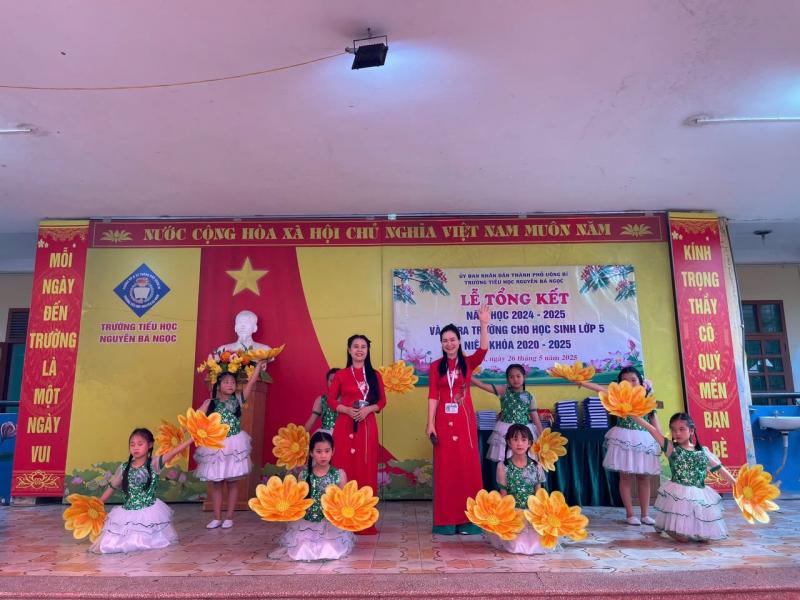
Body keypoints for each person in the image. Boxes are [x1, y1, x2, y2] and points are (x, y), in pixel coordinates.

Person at [426, 305, 490, 535]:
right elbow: (433, 395)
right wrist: (430, 423)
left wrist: (484, 323)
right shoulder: (436, 366)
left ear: (459, 341)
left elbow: (483, 350)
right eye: (445, 341)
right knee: (446, 469)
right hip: (443, 421)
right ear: (441, 343)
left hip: (464, 422)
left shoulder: (467, 363)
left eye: (452, 340)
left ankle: (469, 521)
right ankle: (446, 521)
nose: (449, 344)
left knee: (467, 467)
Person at [577, 366, 662, 525]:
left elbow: (655, 422)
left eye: (633, 380)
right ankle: (630, 514)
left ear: (641, 382)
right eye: (625, 381)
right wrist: (581, 382)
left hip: (644, 442)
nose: (629, 384)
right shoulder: (618, 398)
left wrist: (662, 442)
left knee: (644, 478)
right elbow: (599, 389)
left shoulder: (647, 399)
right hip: (623, 440)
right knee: (625, 477)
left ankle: (645, 514)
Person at [632, 412, 734, 542]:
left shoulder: (703, 452)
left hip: (699, 493)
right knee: (683, 539)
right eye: (673, 430)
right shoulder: (671, 448)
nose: (677, 433)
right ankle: (669, 528)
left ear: (691, 431)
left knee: (705, 539)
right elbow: (651, 429)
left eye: (681, 429)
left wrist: (735, 484)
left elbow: (720, 468)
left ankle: (693, 529)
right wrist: (632, 414)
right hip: (678, 493)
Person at [90, 427, 193, 553]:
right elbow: (112, 486)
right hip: (127, 512)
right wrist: (97, 504)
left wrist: (192, 439)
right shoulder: (124, 467)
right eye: (132, 444)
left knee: (144, 540)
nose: (135, 448)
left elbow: (174, 452)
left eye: (140, 444)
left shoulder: (154, 463)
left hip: (149, 512)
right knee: (111, 543)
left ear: (150, 445)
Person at [195, 360, 265, 529]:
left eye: (233, 382)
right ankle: (217, 517)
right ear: (218, 385)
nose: (230, 385)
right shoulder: (210, 403)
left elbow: (251, 383)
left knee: (232, 482)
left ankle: (229, 517)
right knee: (217, 482)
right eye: (226, 382)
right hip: (216, 446)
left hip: (234, 445)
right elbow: (195, 418)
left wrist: (257, 368)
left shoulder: (238, 400)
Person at [329, 335, 386, 535]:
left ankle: (364, 521)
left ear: (367, 351)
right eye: (356, 346)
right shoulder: (341, 375)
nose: (359, 350)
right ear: (349, 350)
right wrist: (345, 409)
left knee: (365, 467)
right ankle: (342, 520)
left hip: (366, 426)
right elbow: (331, 400)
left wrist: (368, 409)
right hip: (344, 425)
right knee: (343, 468)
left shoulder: (375, 375)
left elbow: (382, 402)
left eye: (363, 347)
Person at [269, 431, 354, 560]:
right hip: (307, 522)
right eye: (318, 451)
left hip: (329, 523)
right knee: (303, 549)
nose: (323, 455)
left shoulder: (339, 474)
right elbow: (298, 501)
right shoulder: (304, 475)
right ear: (311, 453)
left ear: (333, 451)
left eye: (327, 451)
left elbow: (345, 501)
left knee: (328, 549)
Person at [490, 423, 550, 554]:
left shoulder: (537, 466)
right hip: (513, 514)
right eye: (515, 439)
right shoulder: (503, 466)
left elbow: (539, 493)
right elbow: (503, 494)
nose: (519, 443)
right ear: (508, 442)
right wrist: (506, 518)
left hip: (532, 513)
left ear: (530, 443)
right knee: (516, 545)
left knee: (538, 545)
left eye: (523, 439)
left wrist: (540, 515)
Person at [473, 363, 543, 462]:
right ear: (507, 379)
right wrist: (467, 375)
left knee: (524, 460)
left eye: (518, 376)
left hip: (524, 432)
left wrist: (543, 437)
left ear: (524, 377)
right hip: (506, 431)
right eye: (511, 377)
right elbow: (482, 385)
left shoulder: (529, 396)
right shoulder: (503, 390)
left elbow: (536, 419)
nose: (515, 379)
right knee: (506, 460)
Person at [303, 368, 340, 434]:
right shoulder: (322, 400)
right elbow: (310, 422)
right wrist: (300, 436)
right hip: (326, 435)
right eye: (331, 381)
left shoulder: (350, 400)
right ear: (327, 382)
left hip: (344, 436)